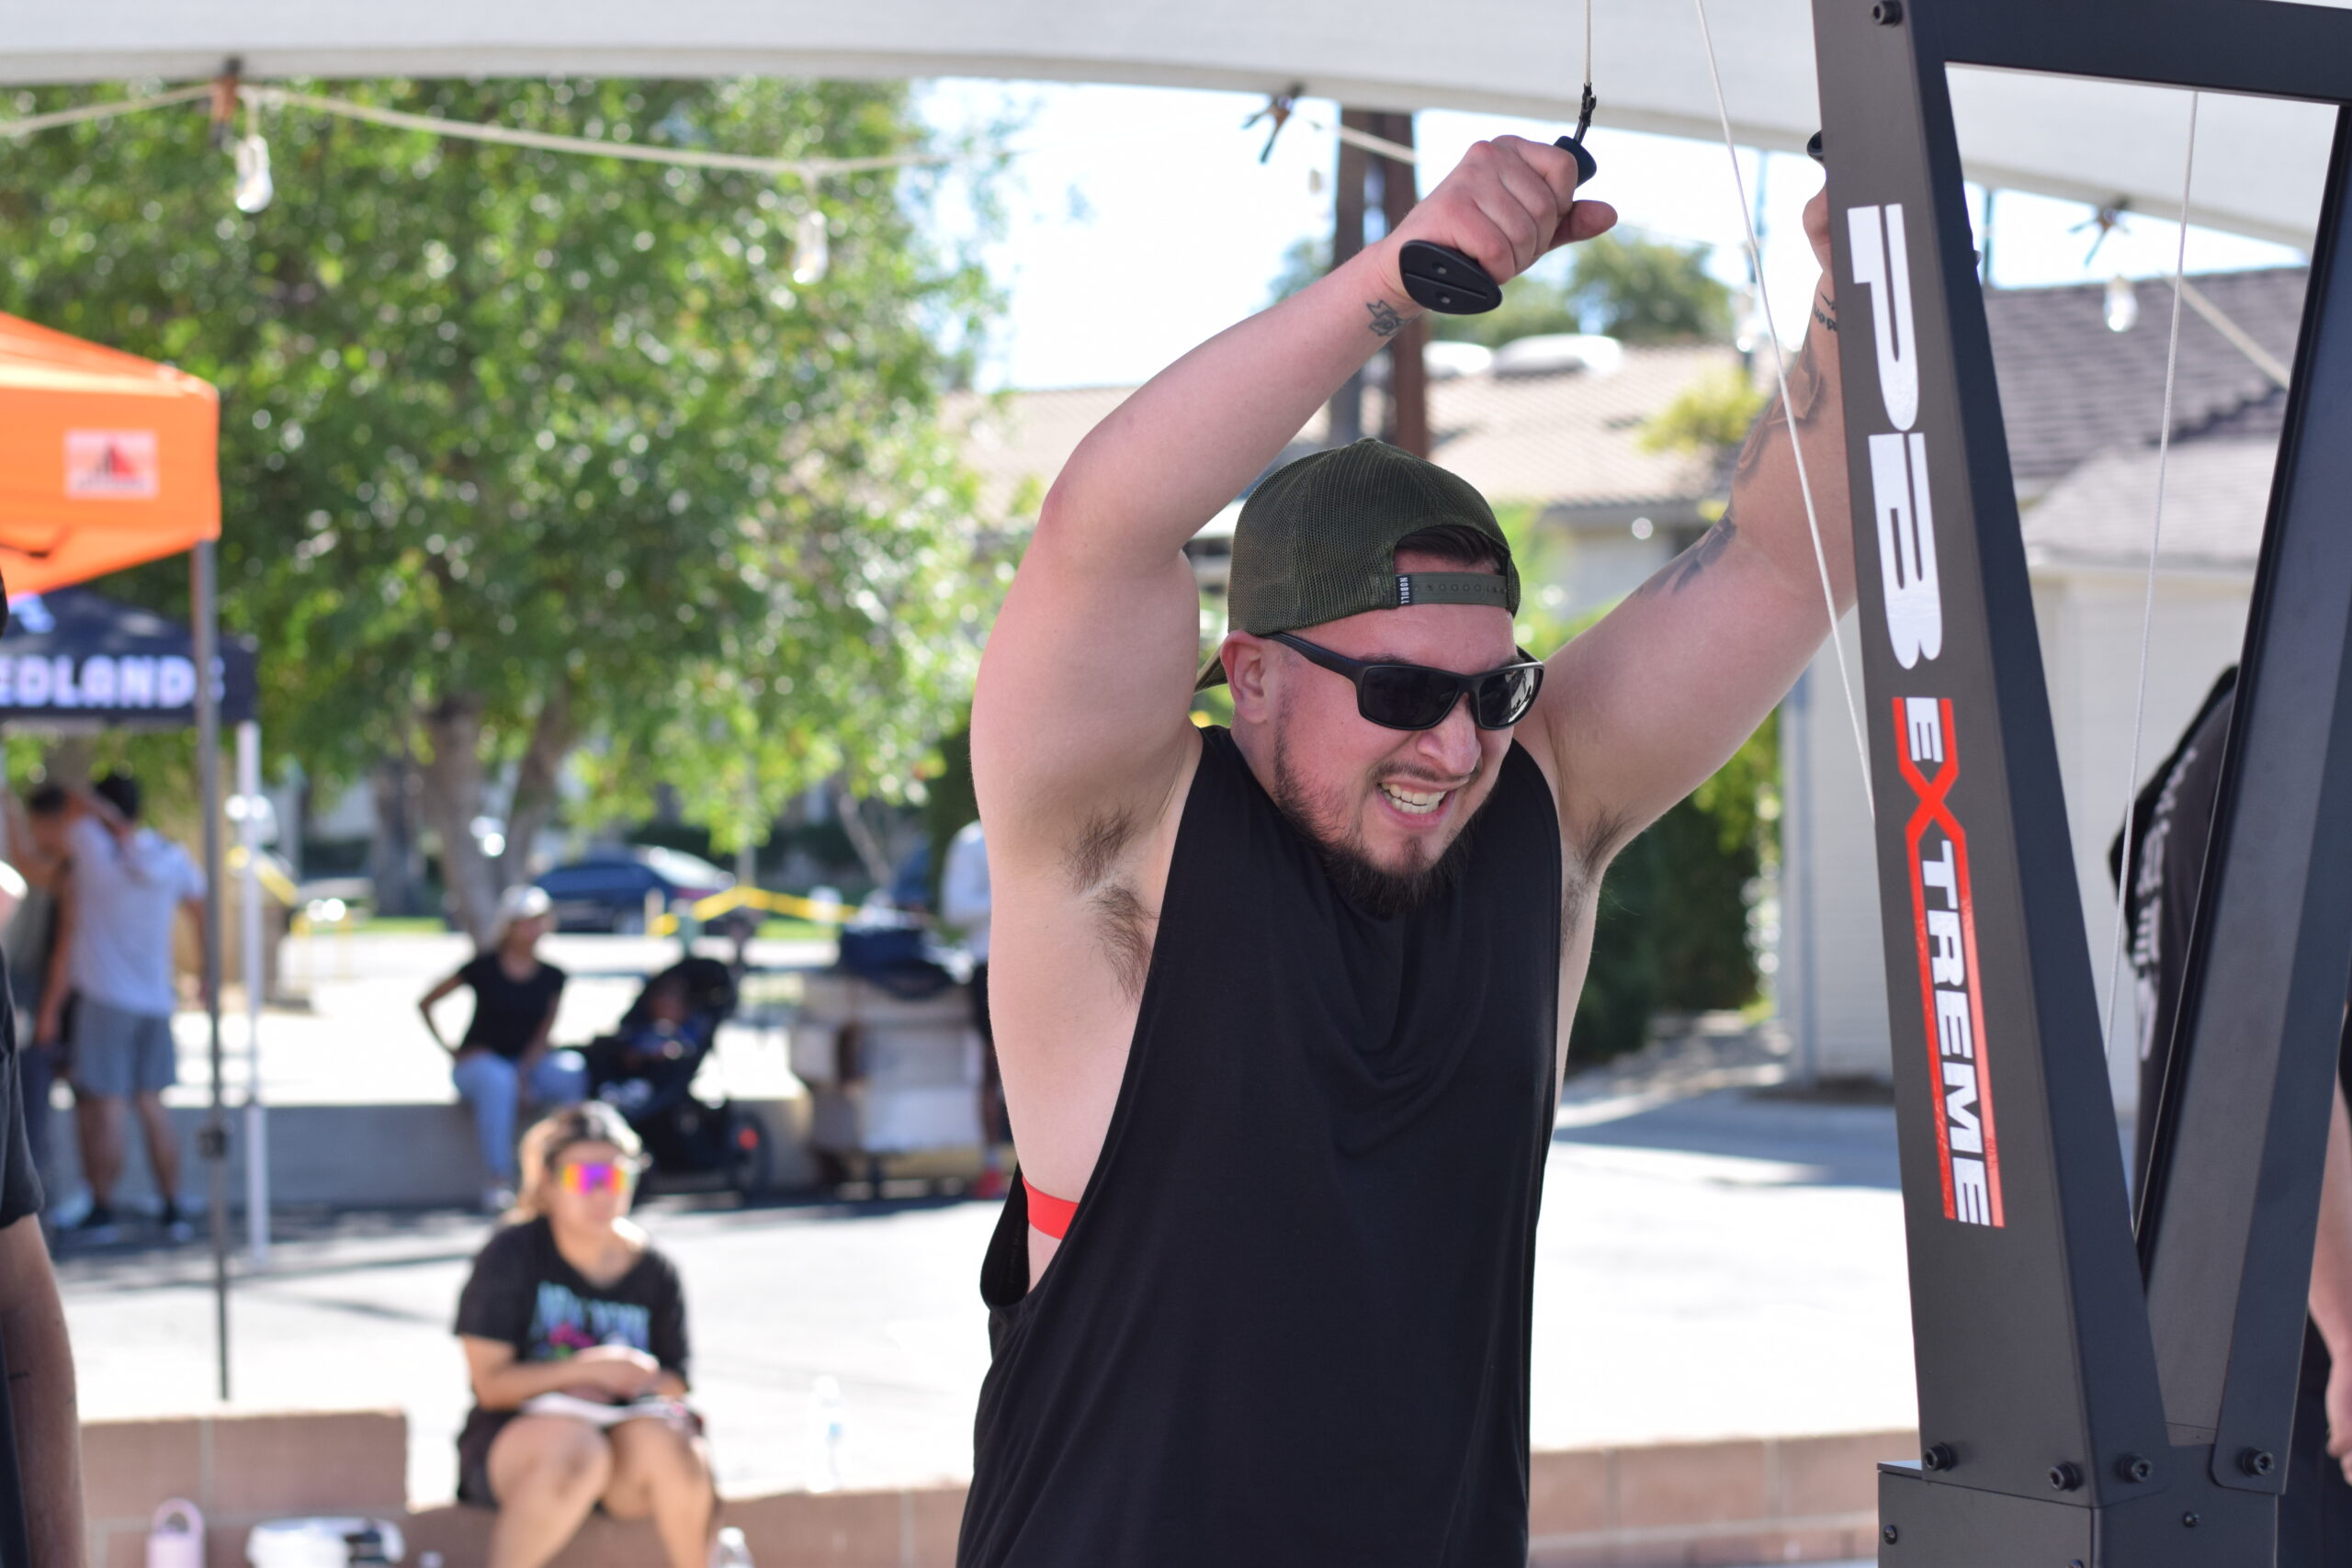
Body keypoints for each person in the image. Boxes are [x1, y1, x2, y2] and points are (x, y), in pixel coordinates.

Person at [957, 135, 1850, 1564]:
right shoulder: (1112, 842)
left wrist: (1859, 292)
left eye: (1491, 688)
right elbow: (1100, 528)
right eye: (1396, 693)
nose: (1451, 744)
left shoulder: (1541, 810)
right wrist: (1398, 280)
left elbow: (1782, 558)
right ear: (1246, 674)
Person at [2116, 670, 2352, 1559]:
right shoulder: (2321, 725)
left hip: (2209, 1333)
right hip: (2307, 1363)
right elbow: (2278, 1044)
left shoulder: (2234, 714)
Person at [452, 1101, 715, 1568]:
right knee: (578, 1452)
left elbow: (677, 1379)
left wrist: (631, 1381)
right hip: (521, 1446)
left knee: (675, 1447)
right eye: (585, 1179)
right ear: (549, 1185)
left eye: (617, 1177)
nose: (603, 1194)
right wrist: (581, 1372)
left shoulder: (655, 1268)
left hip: (626, 1442)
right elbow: (491, 1385)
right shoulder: (512, 1254)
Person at [57, 773, 204, 1245]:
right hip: (155, 1000)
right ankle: (172, 1204)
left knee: (107, 1106)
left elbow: (50, 836)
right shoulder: (170, 855)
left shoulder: (88, 844)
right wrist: (203, 972)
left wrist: (91, 810)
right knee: (152, 1104)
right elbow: (198, 907)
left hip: (104, 999)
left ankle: (102, 1208)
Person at [421, 885, 585, 1213]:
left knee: (571, 1070)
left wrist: (523, 1073)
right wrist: (451, 1050)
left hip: (525, 1064)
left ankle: (577, 1173)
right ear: (509, 925)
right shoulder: (483, 967)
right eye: (525, 921)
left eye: (539, 920)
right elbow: (427, 1003)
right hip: (481, 1065)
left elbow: (543, 1031)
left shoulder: (553, 976)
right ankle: (499, 1179)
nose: (533, 929)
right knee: (499, 1080)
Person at [2, 786, 74, 1202]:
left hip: (39, 1003)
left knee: (31, 1117)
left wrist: (47, 1010)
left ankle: (45, 1211)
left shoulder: (65, 870)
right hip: (36, 1000)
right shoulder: (57, 866)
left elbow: (63, 950)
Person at [940, 818, 1007, 1200]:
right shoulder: (970, 841)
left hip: (1038, 961)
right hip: (990, 964)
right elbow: (956, 907)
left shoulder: (1040, 825)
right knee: (991, 1067)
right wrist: (1012, 891)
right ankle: (993, 1165)